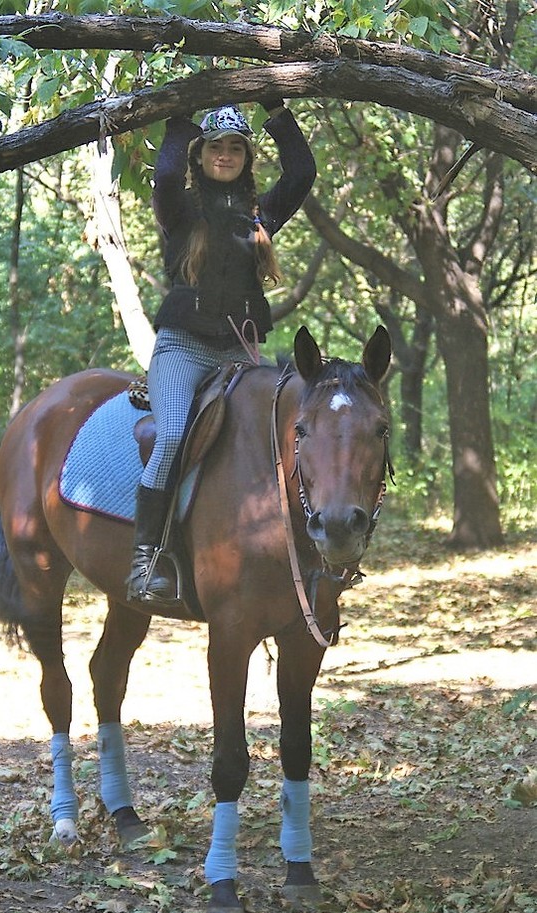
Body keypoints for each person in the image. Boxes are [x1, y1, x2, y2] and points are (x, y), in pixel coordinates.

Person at [127, 99, 317, 603]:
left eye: (236, 147)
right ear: (201, 154)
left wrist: (275, 107)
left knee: (273, 439)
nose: (226, 155)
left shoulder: (260, 215)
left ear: (247, 157)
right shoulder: (181, 208)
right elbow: (165, 177)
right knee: (170, 437)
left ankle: (278, 549)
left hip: (240, 353)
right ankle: (147, 559)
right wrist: (179, 114)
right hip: (182, 350)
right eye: (216, 147)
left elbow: (301, 172)